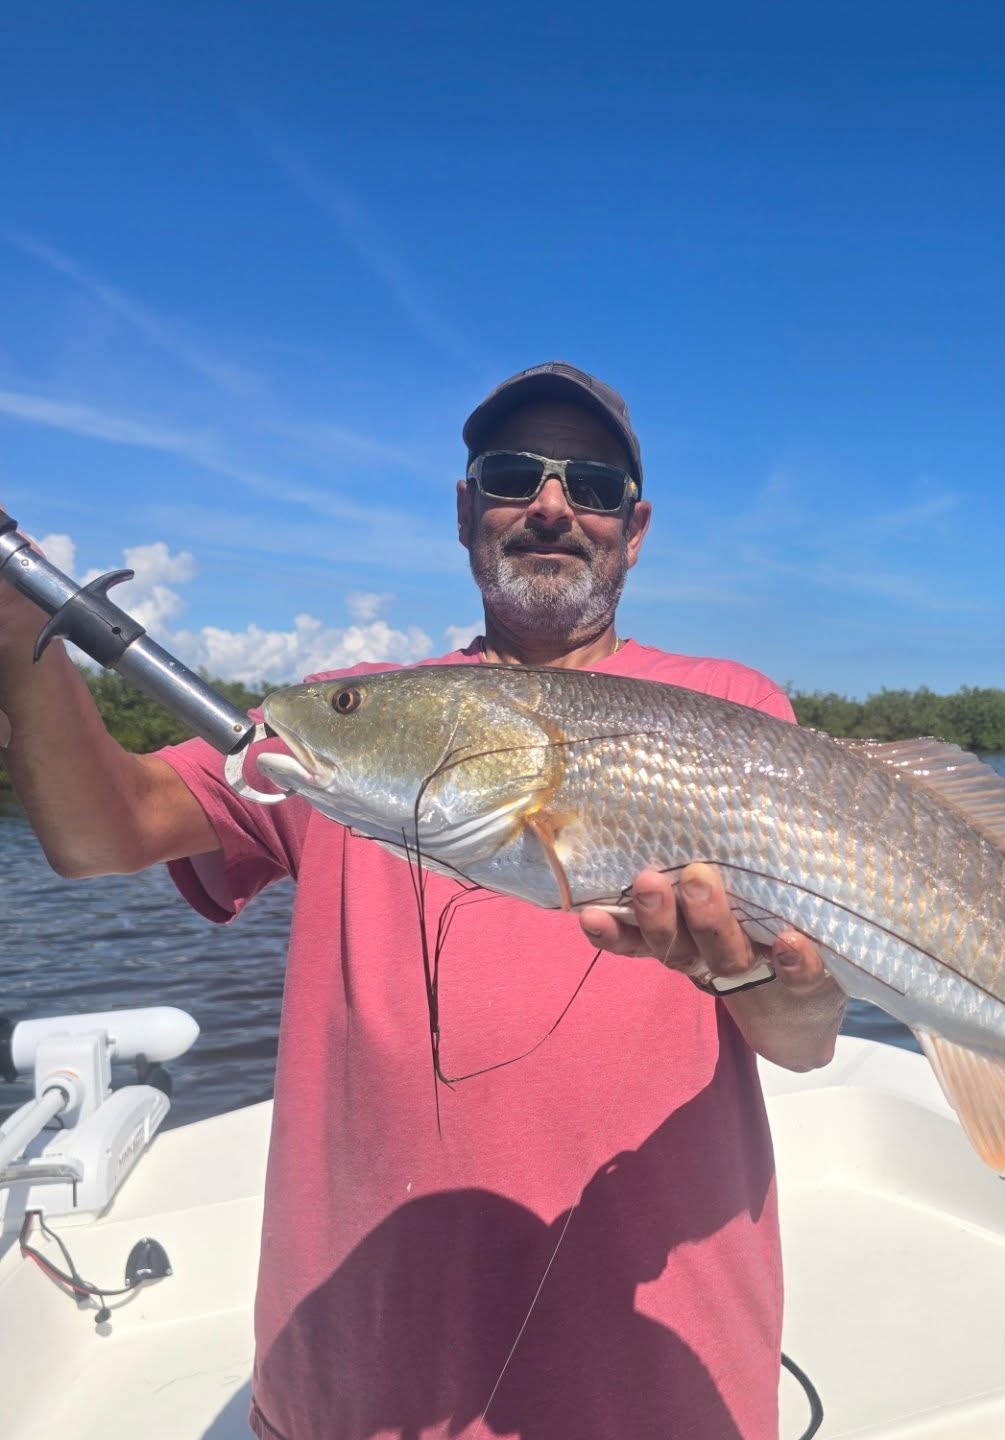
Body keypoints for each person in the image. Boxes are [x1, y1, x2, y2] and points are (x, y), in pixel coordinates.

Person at [0, 361, 848, 1440]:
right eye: (512, 474)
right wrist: (10, 619)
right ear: (464, 512)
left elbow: (808, 1038)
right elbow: (97, 829)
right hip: (355, 1393)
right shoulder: (344, 727)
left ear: (633, 530)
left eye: (589, 485)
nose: (551, 505)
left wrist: (752, 975)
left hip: (657, 1394)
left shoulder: (736, 713)